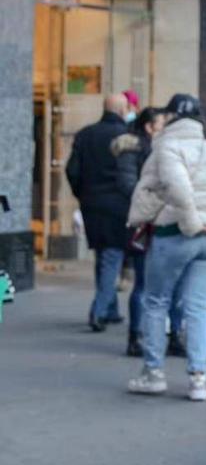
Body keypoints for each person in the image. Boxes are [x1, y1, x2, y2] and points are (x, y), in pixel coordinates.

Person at [127, 94, 206, 401]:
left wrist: (190, 223)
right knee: (197, 306)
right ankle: (199, 378)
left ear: (171, 117)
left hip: (177, 231)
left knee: (156, 301)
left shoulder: (166, 146)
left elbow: (178, 188)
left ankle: (153, 373)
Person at [110, 106, 186, 359]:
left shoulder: (167, 150)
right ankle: (136, 337)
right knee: (143, 283)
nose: (166, 128)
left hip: (168, 222)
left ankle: (174, 334)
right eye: (161, 123)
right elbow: (129, 186)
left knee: (175, 283)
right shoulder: (132, 150)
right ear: (149, 126)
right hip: (145, 225)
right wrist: (160, 202)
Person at [65, 92, 134, 331]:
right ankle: (99, 310)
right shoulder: (127, 136)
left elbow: (72, 170)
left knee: (103, 255)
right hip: (119, 204)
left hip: (91, 203)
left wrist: (82, 194)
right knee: (112, 255)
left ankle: (111, 309)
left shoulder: (86, 134)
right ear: (123, 110)